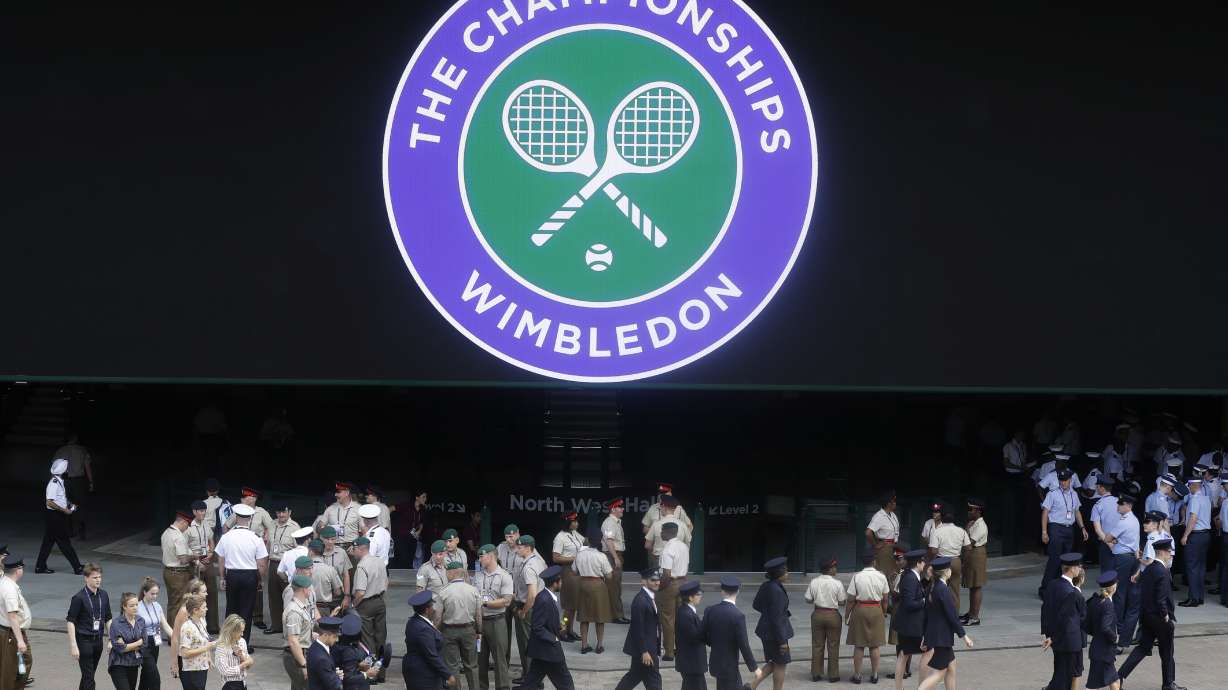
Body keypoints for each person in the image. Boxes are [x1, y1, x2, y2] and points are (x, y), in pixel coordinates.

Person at [1117, 539, 1183, 690]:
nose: (1170, 555)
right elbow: (1161, 598)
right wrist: (1165, 615)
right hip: (1159, 617)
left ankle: (1119, 676)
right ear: (1163, 552)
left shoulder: (1149, 569)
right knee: (1167, 651)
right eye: (1169, 552)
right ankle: (1168, 683)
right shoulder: (1163, 571)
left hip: (1147, 616)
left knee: (1142, 648)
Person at [214, 503, 269, 646]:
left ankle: (227, 642)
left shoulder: (227, 537)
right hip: (249, 576)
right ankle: (243, 644)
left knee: (231, 609)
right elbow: (262, 564)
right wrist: (260, 580)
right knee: (246, 611)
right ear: (250, 519)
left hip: (232, 575)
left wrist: (222, 577)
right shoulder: (256, 538)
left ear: (236, 518)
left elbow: (221, 559)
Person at [916, 557, 973, 690]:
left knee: (951, 667)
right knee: (940, 672)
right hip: (942, 637)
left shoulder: (932, 587)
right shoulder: (943, 589)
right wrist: (965, 637)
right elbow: (952, 616)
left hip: (937, 636)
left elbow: (927, 614)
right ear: (946, 572)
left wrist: (925, 636)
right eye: (949, 569)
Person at [223, 488, 275, 631]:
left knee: (257, 584)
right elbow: (226, 526)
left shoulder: (261, 512)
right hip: (241, 550)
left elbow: (271, 527)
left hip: (256, 550)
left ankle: (257, 617)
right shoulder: (238, 512)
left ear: (254, 498)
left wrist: (266, 540)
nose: (243, 499)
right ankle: (240, 616)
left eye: (246, 497)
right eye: (243, 497)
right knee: (244, 586)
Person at [518, 566, 576, 690]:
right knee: (566, 684)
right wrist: (554, 638)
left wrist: (558, 626)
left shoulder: (547, 597)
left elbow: (545, 621)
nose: (562, 583)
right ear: (556, 583)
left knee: (530, 684)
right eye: (561, 581)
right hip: (549, 651)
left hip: (541, 652)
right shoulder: (544, 599)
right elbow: (537, 627)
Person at [702, 575, 758, 690]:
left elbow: (703, 635)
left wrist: (715, 642)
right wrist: (754, 668)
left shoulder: (710, 610)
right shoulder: (738, 616)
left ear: (722, 591)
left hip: (716, 663)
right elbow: (744, 645)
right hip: (730, 666)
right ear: (738, 591)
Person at [1040, 469, 1089, 598]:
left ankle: (1060, 588)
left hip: (1069, 528)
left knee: (1067, 561)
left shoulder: (1074, 494)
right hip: (1056, 528)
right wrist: (1044, 531)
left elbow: (1077, 511)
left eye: (1065, 480)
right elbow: (1045, 512)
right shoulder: (1053, 494)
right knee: (1055, 560)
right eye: (1061, 480)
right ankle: (1045, 589)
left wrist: (1082, 527)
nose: (1063, 483)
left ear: (1070, 480)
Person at [1040, 553, 1086, 690]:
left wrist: (1047, 634)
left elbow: (1045, 610)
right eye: (1078, 566)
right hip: (1068, 641)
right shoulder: (1071, 592)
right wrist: (1053, 637)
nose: (1079, 569)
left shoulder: (1053, 584)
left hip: (1056, 638)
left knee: (1059, 673)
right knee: (1064, 679)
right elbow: (1067, 620)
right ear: (1072, 568)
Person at [844, 550, 889, 685]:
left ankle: (857, 675)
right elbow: (885, 599)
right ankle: (874, 675)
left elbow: (851, 599)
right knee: (875, 645)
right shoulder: (881, 576)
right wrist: (884, 612)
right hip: (876, 609)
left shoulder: (857, 577)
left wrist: (847, 615)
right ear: (874, 562)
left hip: (860, 608)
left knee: (859, 645)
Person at [614, 568, 662, 690]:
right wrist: (644, 651)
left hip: (648, 647)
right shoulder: (641, 601)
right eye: (653, 580)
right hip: (646, 650)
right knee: (653, 680)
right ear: (643, 582)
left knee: (634, 676)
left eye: (658, 580)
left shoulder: (649, 597)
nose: (657, 582)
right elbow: (637, 629)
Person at [1103, 494, 1140, 650]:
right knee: (1128, 594)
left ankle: (1118, 629)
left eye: (1120, 504)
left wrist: (1114, 540)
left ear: (1128, 506)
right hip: (1131, 558)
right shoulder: (1134, 519)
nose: (1118, 506)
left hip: (1122, 559)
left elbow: (1107, 538)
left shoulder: (1124, 521)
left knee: (1119, 594)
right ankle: (1123, 630)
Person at [67, 563, 112, 690]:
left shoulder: (104, 595)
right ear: (86, 578)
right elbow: (70, 622)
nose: (98, 580)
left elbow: (108, 618)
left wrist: (111, 638)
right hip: (84, 641)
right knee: (89, 678)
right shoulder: (79, 598)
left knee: (88, 675)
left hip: (98, 641)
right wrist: (73, 645)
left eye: (99, 577)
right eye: (94, 577)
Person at [37, 458, 84, 575]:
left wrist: (69, 505)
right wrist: (65, 510)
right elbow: (49, 502)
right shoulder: (53, 483)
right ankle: (77, 567)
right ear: (63, 470)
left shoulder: (59, 481)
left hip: (55, 516)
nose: (68, 470)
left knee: (48, 542)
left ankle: (40, 566)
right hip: (55, 516)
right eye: (66, 468)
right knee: (64, 542)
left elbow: (60, 498)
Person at [438, 560, 481, 690]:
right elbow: (479, 615)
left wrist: (437, 630)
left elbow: (438, 616)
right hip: (469, 630)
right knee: (472, 665)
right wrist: (479, 631)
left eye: (447, 572)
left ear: (452, 573)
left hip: (449, 631)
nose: (446, 575)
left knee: (452, 665)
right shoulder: (473, 590)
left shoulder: (443, 592)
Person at [476, 544, 514, 690]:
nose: (479, 559)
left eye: (481, 556)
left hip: (496, 621)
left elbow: (506, 601)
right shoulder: (478, 575)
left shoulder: (504, 576)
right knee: (480, 659)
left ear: (491, 556)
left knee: (499, 659)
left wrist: (485, 603)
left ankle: (502, 687)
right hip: (480, 622)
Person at [750, 558, 792, 690]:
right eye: (786, 571)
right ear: (779, 573)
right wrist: (782, 641)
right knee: (781, 664)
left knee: (774, 662)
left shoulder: (767, 585)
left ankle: (751, 686)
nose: (788, 573)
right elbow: (777, 619)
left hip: (766, 631)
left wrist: (768, 613)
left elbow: (756, 605)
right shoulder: (777, 590)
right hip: (776, 634)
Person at [403, 591, 458, 690]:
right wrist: (448, 675)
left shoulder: (413, 621)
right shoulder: (424, 629)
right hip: (424, 674)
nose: (434, 609)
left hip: (415, 670)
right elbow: (431, 655)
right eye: (432, 606)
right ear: (427, 610)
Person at [352, 537, 389, 683]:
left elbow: (360, 592)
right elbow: (386, 582)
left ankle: (371, 674)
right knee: (381, 638)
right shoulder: (379, 561)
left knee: (367, 640)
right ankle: (381, 673)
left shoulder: (362, 566)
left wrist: (354, 605)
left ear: (360, 549)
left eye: (354, 549)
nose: (353, 552)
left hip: (365, 604)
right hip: (380, 601)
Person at [803, 555, 845, 683]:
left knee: (817, 645)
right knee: (833, 645)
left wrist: (818, 599)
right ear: (829, 569)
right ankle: (833, 675)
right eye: (834, 567)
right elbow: (842, 602)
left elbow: (808, 599)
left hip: (818, 614)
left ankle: (816, 673)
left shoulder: (814, 582)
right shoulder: (837, 583)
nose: (836, 569)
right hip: (833, 614)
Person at [266, 503, 303, 635]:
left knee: (289, 596)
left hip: (287, 564)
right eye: (278, 512)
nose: (281, 515)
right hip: (273, 563)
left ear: (289, 512)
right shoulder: (272, 524)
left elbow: (298, 549)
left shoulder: (295, 527)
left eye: (284, 512)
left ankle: (290, 627)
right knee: (273, 595)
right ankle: (276, 625)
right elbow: (268, 544)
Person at [514, 535, 547, 683]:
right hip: (538, 606)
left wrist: (523, 611)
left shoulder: (529, 566)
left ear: (528, 548)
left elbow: (532, 595)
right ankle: (533, 676)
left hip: (529, 607)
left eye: (519, 547)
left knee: (526, 643)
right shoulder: (538, 561)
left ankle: (530, 677)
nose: (517, 550)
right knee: (534, 641)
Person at [892, 550, 926, 690]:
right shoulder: (911, 578)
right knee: (926, 653)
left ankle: (899, 687)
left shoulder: (910, 576)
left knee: (903, 655)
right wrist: (924, 602)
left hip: (909, 624)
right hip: (911, 625)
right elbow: (909, 603)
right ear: (918, 563)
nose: (924, 564)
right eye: (923, 561)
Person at [927, 511, 970, 612]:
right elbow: (968, 548)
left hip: (941, 562)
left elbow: (933, 551)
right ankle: (954, 615)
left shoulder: (937, 531)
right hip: (956, 560)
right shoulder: (961, 531)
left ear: (941, 518)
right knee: (955, 591)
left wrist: (931, 563)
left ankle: (941, 614)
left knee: (938, 589)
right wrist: (963, 561)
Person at [551, 513, 584, 643]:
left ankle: (570, 630)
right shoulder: (560, 537)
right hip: (568, 571)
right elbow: (556, 558)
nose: (576, 524)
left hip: (577, 571)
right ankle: (562, 630)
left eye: (576, 521)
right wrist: (574, 558)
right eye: (573, 522)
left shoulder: (574, 533)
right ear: (567, 523)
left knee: (574, 605)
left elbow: (584, 541)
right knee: (569, 606)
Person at [657, 522, 688, 661]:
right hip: (683, 583)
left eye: (662, 531)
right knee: (680, 619)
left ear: (668, 532)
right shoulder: (683, 546)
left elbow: (666, 574)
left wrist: (659, 587)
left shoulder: (667, 549)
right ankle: (681, 648)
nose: (660, 533)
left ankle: (669, 652)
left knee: (667, 619)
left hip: (670, 585)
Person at [573, 545, 613, 654]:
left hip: (583, 584)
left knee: (584, 617)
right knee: (600, 617)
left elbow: (574, 571)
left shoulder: (580, 555)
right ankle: (599, 645)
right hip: (597, 585)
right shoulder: (601, 556)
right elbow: (609, 575)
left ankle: (584, 645)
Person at [0, 556, 32, 690]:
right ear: (18, 570)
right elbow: (12, 616)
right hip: (11, 633)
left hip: (9, 632)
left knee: (16, 666)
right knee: (12, 670)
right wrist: (20, 640)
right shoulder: (9, 589)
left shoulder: (4, 582)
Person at [1084, 571, 1120, 690]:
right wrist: (1114, 638)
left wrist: (1097, 634)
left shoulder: (1095, 601)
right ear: (1113, 587)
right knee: (1112, 681)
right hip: (1104, 652)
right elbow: (1105, 627)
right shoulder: (1107, 604)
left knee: (1106, 682)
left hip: (1098, 650)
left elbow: (1086, 624)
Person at [184, 500, 216, 634]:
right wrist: (196, 560)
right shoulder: (188, 527)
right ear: (194, 512)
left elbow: (211, 540)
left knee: (211, 591)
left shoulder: (206, 524)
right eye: (200, 511)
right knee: (196, 594)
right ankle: (195, 624)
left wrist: (211, 553)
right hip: (195, 561)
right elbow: (185, 547)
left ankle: (213, 626)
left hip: (207, 559)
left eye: (204, 511)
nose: (203, 513)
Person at [1180, 474, 1212, 607]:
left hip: (1195, 535)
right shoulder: (1206, 498)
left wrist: (1185, 535)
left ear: (1193, 486)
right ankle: (1199, 597)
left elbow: (1193, 518)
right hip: (1205, 535)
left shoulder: (1194, 499)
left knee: (1192, 567)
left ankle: (1193, 598)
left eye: (1189, 486)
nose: (1188, 488)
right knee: (1201, 566)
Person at [167, 579, 206, 684]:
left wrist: (208, 656)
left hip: (199, 659)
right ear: (194, 593)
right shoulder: (184, 611)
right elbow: (175, 637)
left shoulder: (202, 608)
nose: (206, 593)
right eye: (204, 591)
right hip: (186, 659)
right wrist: (174, 663)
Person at [55, 434, 94, 538]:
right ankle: (81, 530)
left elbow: (55, 468)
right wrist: (91, 482)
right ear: (76, 439)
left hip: (66, 481)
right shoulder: (82, 450)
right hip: (79, 481)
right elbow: (87, 467)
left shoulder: (61, 451)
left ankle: (69, 531)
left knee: (67, 504)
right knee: (80, 505)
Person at [136, 577, 171, 690]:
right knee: (155, 676)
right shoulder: (137, 607)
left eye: (156, 594)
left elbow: (165, 625)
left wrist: (177, 638)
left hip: (155, 642)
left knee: (147, 674)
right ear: (144, 592)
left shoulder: (157, 606)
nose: (155, 596)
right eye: (152, 594)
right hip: (143, 643)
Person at [283, 574, 315, 690]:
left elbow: (301, 631)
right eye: (309, 588)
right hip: (297, 656)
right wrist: (304, 665)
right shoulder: (294, 611)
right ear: (304, 590)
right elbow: (293, 641)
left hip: (301, 653)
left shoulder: (301, 607)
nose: (311, 590)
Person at [600, 499, 630, 623]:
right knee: (613, 586)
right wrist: (616, 557)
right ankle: (616, 615)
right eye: (620, 507)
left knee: (616, 585)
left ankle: (616, 614)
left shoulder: (616, 522)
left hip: (615, 554)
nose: (622, 509)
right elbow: (609, 541)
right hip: (612, 555)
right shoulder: (609, 523)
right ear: (613, 509)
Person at [334, 612, 380, 689]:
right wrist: (367, 674)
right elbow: (348, 678)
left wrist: (358, 665)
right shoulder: (348, 651)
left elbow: (345, 666)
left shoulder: (339, 646)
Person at [177, 595, 215, 690]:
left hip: (201, 667)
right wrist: (206, 648)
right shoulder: (187, 628)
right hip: (192, 670)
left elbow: (204, 641)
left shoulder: (201, 622)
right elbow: (184, 653)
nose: (206, 609)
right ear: (195, 610)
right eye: (204, 607)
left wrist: (208, 657)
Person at [161, 511, 195, 618]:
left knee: (172, 603)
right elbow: (183, 559)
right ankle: (176, 628)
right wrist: (194, 556)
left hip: (168, 571)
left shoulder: (166, 532)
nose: (187, 528)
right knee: (179, 604)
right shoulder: (179, 537)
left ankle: (170, 627)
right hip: (178, 574)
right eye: (187, 525)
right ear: (183, 522)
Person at [645, 497, 691, 571]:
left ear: (664, 507)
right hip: (678, 562)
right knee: (677, 578)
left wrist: (656, 551)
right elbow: (687, 544)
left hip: (659, 561)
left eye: (661, 506)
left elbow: (647, 545)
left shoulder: (656, 525)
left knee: (660, 578)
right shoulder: (683, 525)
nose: (660, 508)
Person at [675, 580, 706, 690]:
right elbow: (695, 637)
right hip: (691, 664)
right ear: (690, 598)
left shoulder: (687, 611)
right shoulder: (686, 614)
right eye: (698, 594)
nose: (700, 596)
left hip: (691, 663)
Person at [962, 498, 989, 625]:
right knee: (972, 586)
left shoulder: (980, 525)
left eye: (970, 509)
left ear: (978, 511)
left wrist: (966, 530)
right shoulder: (974, 523)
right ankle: (971, 613)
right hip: (972, 553)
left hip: (977, 553)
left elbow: (969, 542)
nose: (968, 511)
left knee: (976, 585)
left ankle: (974, 617)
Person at [316, 483, 363, 551]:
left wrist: (356, 545)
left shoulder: (358, 508)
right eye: (335, 493)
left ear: (347, 493)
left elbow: (364, 532)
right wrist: (324, 529)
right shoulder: (330, 508)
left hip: (351, 547)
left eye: (338, 492)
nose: (335, 495)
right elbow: (318, 528)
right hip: (333, 547)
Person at [865, 492, 901, 580]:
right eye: (894, 501)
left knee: (894, 573)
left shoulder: (893, 514)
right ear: (889, 503)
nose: (895, 503)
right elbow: (868, 532)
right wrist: (875, 545)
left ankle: (891, 589)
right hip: (884, 548)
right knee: (884, 575)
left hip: (893, 547)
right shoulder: (879, 516)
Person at [212, 614, 252, 690]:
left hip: (243, 683)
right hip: (229, 684)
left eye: (243, 631)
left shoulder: (242, 641)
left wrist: (242, 656)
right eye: (240, 632)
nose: (242, 634)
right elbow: (225, 671)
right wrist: (243, 665)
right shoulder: (221, 647)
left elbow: (249, 662)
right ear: (232, 631)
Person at [309, 541, 346, 619]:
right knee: (324, 627)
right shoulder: (330, 570)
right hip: (324, 609)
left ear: (311, 551)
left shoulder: (303, 569)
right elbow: (338, 592)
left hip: (308, 608)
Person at [307, 616, 344, 690]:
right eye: (335, 636)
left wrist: (334, 674)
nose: (337, 640)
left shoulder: (314, 646)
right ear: (325, 635)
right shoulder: (321, 659)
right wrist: (337, 678)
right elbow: (334, 686)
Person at [1089, 476, 1118, 568]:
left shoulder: (1098, 505)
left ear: (1102, 488)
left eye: (1097, 486)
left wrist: (1109, 543)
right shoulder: (1120, 502)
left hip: (1106, 543)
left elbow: (1097, 529)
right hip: (1121, 541)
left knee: (1107, 573)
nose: (1096, 488)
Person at [319, 527, 354, 603]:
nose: (330, 542)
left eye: (333, 539)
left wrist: (347, 595)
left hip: (338, 595)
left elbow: (346, 575)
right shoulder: (317, 553)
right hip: (322, 596)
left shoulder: (341, 552)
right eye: (327, 539)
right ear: (321, 538)